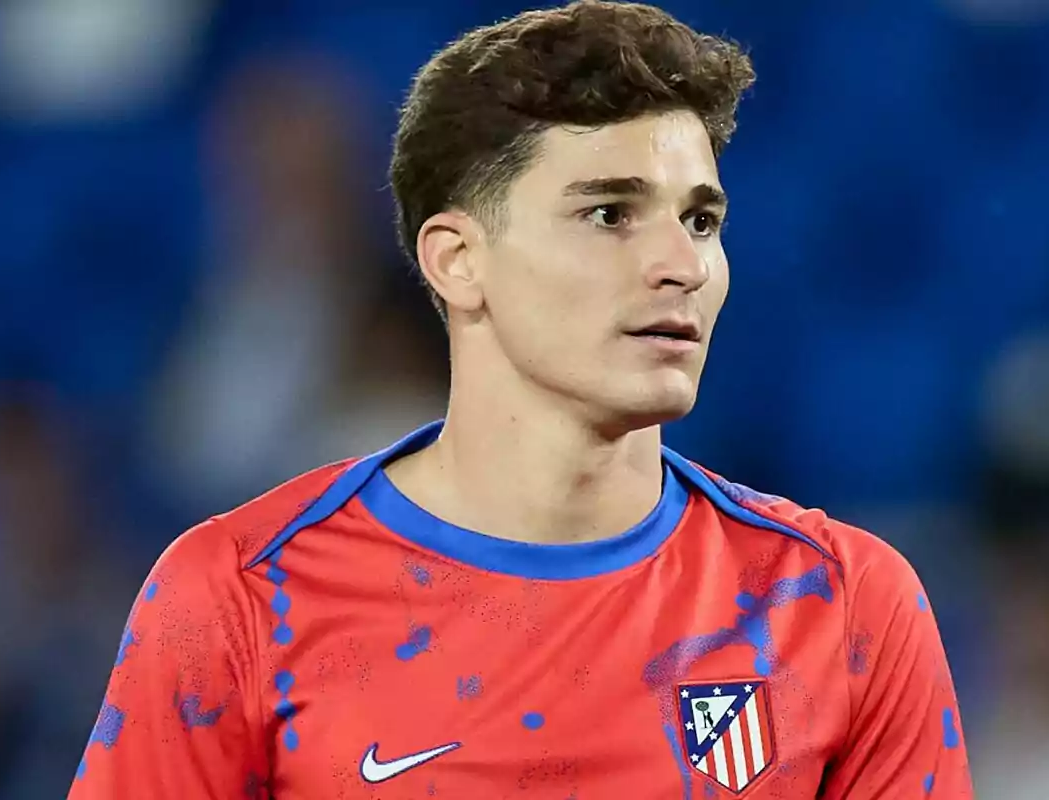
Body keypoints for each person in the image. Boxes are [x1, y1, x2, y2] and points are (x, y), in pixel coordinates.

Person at [68, 2, 973, 797]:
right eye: (609, 214)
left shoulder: (837, 608)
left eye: (701, 220)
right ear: (458, 262)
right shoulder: (240, 600)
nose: (682, 265)